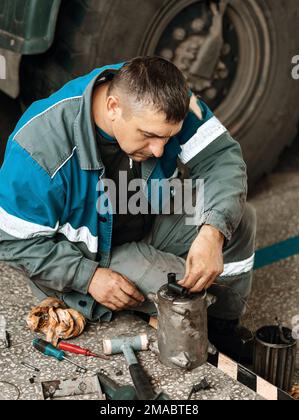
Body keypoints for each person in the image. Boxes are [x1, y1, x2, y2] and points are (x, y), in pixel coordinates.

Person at [0, 56, 256, 363]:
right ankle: (203, 343)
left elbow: (221, 160)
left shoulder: (165, 97)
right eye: (148, 136)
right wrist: (88, 277)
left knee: (238, 220)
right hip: (93, 256)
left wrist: (212, 233)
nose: (160, 150)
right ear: (113, 108)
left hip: (146, 221)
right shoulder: (38, 148)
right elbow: (11, 241)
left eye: (168, 138)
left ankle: (225, 328)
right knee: (178, 295)